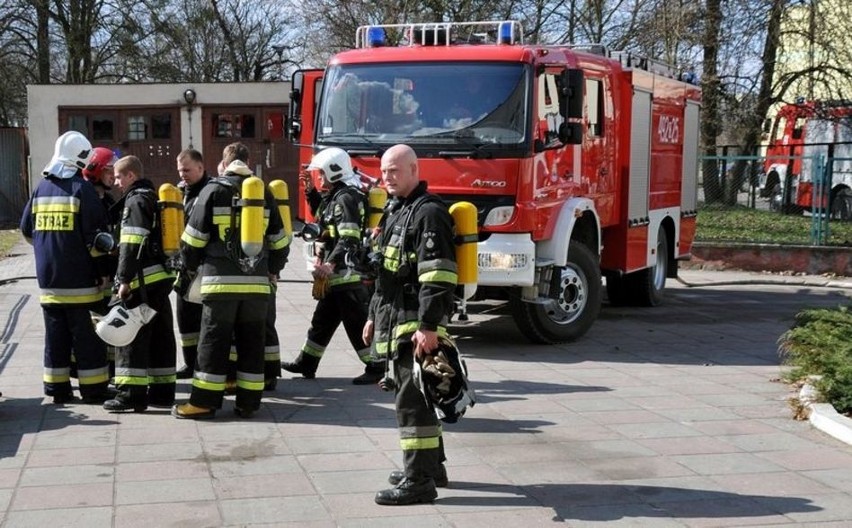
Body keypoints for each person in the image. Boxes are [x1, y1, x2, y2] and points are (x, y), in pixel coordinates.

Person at [362, 144, 458, 505]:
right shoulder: (396, 210)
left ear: (414, 170)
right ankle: (433, 468)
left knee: (412, 404)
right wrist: (372, 316)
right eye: (384, 171)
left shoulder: (428, 213)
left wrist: (430, 326)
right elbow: (385, 275)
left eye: (395, 171)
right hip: (395, 320)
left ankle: (418, 482)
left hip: (417, 325)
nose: (387, 177)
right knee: (423, 398)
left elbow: (439, 275)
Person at [172, 142, 288, 419]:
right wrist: (271, 270)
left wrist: (189, 268)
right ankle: (248, 403)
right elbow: (281, 241)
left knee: (213, 342)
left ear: (224, 164)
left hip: (220, 285)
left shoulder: (213, 190)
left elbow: (192, 241)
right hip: (257, 286)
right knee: (251, 343)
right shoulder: (263, 192)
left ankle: (203, 402)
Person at [19, 131, 114, 404]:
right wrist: (103, 272)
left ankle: (57, 389)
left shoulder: (40, 188)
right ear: (81, 158)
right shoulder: (81, 189)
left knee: (55, 338)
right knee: (87, 338)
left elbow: (27, 231)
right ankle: (94, 389)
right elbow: (96, 240)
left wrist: (49, 250)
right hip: (80, 282)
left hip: (48, 281)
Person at [281, 147, 385, 385]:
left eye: (322, 174)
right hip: (337, 275)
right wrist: (310, 190)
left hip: (348, 274)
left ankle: (377, 366)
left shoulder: (347, 197)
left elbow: (349, 236)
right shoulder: (336, 196)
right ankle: (306, 362)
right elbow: (324, 216)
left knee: (356, 322)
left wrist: (330, 262)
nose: (320, 178)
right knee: (322, 321)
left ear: (334, 171)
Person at [102, 155, 177, 412]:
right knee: (161, 337)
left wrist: (123, 279)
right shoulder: (154, 197)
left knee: (130, 338)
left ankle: (130, 396)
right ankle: (163, 392)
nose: (117, 183)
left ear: (131, 175)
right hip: (159, 281)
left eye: (120, 177)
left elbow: (131, 243)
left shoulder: (135, 201)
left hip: (140, 282)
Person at [173, 149, 211, 379]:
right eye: (180, 170)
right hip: (183, 266)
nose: (183, 174)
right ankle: (189, 363)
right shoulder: (178, 192)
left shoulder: (211, 191)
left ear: (201, 167)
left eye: (187, 170)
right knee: (185, 317)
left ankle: (204, 364)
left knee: (205, 318)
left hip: (205, 265)